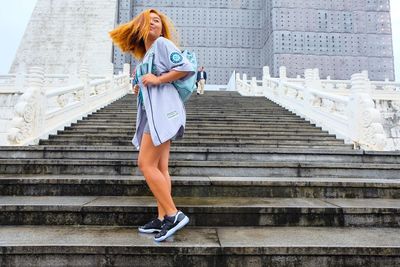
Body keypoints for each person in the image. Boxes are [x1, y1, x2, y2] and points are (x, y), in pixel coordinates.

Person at [109, 9, 194, 242]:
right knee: (160, 167)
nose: (155, 24)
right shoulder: (145, 57)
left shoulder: (164, 44)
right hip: (153, 115)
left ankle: (174, 214)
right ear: (141, 26)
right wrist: (139, 86)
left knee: (145, 164)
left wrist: (157, 79)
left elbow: (186, 68)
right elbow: (145, 84)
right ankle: (162, 218)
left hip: (163, 113)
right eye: (151, 20)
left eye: (158, 21)